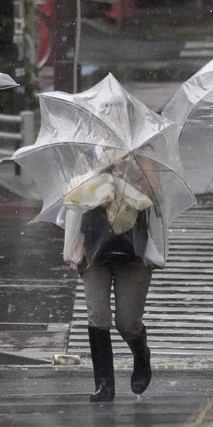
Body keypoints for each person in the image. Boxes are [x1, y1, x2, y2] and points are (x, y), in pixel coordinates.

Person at [64, 167, 158, 403]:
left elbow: (155, 196)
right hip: (93, 245)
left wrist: (129, 178)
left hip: (132, 249)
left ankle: (141, 354)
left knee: (127, 323)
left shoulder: (142, 155)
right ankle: (104, 384)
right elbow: (74, 193)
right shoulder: (90, 153)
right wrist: (96, 180)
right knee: (98, 314)